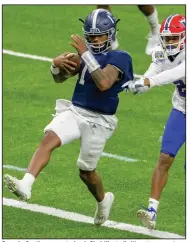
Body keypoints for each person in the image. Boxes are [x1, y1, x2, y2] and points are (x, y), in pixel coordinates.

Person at [4, 9, 134, 225]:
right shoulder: (85, 56)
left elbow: (103, 83)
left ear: (110, 35)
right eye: (90, 36)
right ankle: (25, 184)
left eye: (98, 35)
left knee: (86, 171)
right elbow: (58, 79)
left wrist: (85, 55)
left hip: (99, 121)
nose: (93, 40)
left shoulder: (121, 57)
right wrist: (55, 66)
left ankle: (103, 202)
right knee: (48, 140)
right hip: (75, 111)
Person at [124, 14, 186, 229]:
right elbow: (155, 70)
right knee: (164, 158)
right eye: (167, 39)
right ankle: (152, 212)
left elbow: (174, 74)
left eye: (174, 38)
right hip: (181, 110)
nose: (170, 43)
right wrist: (140, 84)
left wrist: (148, 82)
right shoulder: (161, 52)